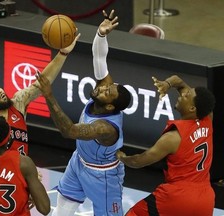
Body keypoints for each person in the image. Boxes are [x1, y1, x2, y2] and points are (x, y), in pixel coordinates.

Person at [34, 10, 131, 216]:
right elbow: (99, 58)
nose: (102, 87)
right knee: (63, 204)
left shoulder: (105, 128)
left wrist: (49, 96)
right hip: (79, 161)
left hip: (103, 176)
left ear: (110, 107)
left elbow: (69, 131)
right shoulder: (101, 96)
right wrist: (101, 35)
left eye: (107, 92)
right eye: (107, 86)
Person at [117, 75, 216, 216]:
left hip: (177, 196)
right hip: (205, 199)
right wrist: (166, 84)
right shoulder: (207, 118)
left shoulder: (173, 138)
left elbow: (139, 161)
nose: (184, 94)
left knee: (134, 214)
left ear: (192, 108)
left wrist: (122, 157)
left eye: (187, 95)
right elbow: (180, 82)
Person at [0, 33, 80, 154]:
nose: (0, 91)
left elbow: (42, 83)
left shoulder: (18, 103)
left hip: (21, 169)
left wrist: (63, 53)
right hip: (4, 172)